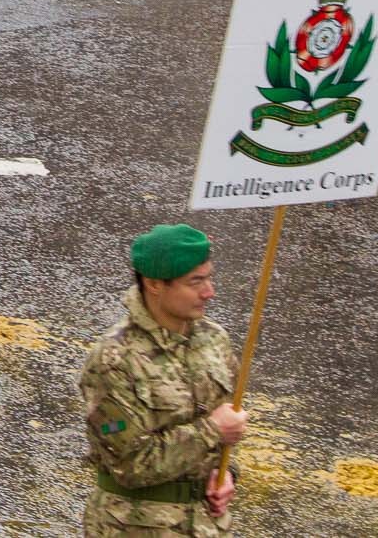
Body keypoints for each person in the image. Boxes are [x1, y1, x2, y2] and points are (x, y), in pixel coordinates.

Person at [81, 224, 244, 537]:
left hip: (206, 525)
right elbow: (128, 465)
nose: (209, 291)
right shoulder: (114, 360)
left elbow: (225, 432)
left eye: (209, 277)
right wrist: (212, 430)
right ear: (154, 284)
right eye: (195, 282)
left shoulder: (214, 340)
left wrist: (226, 474)